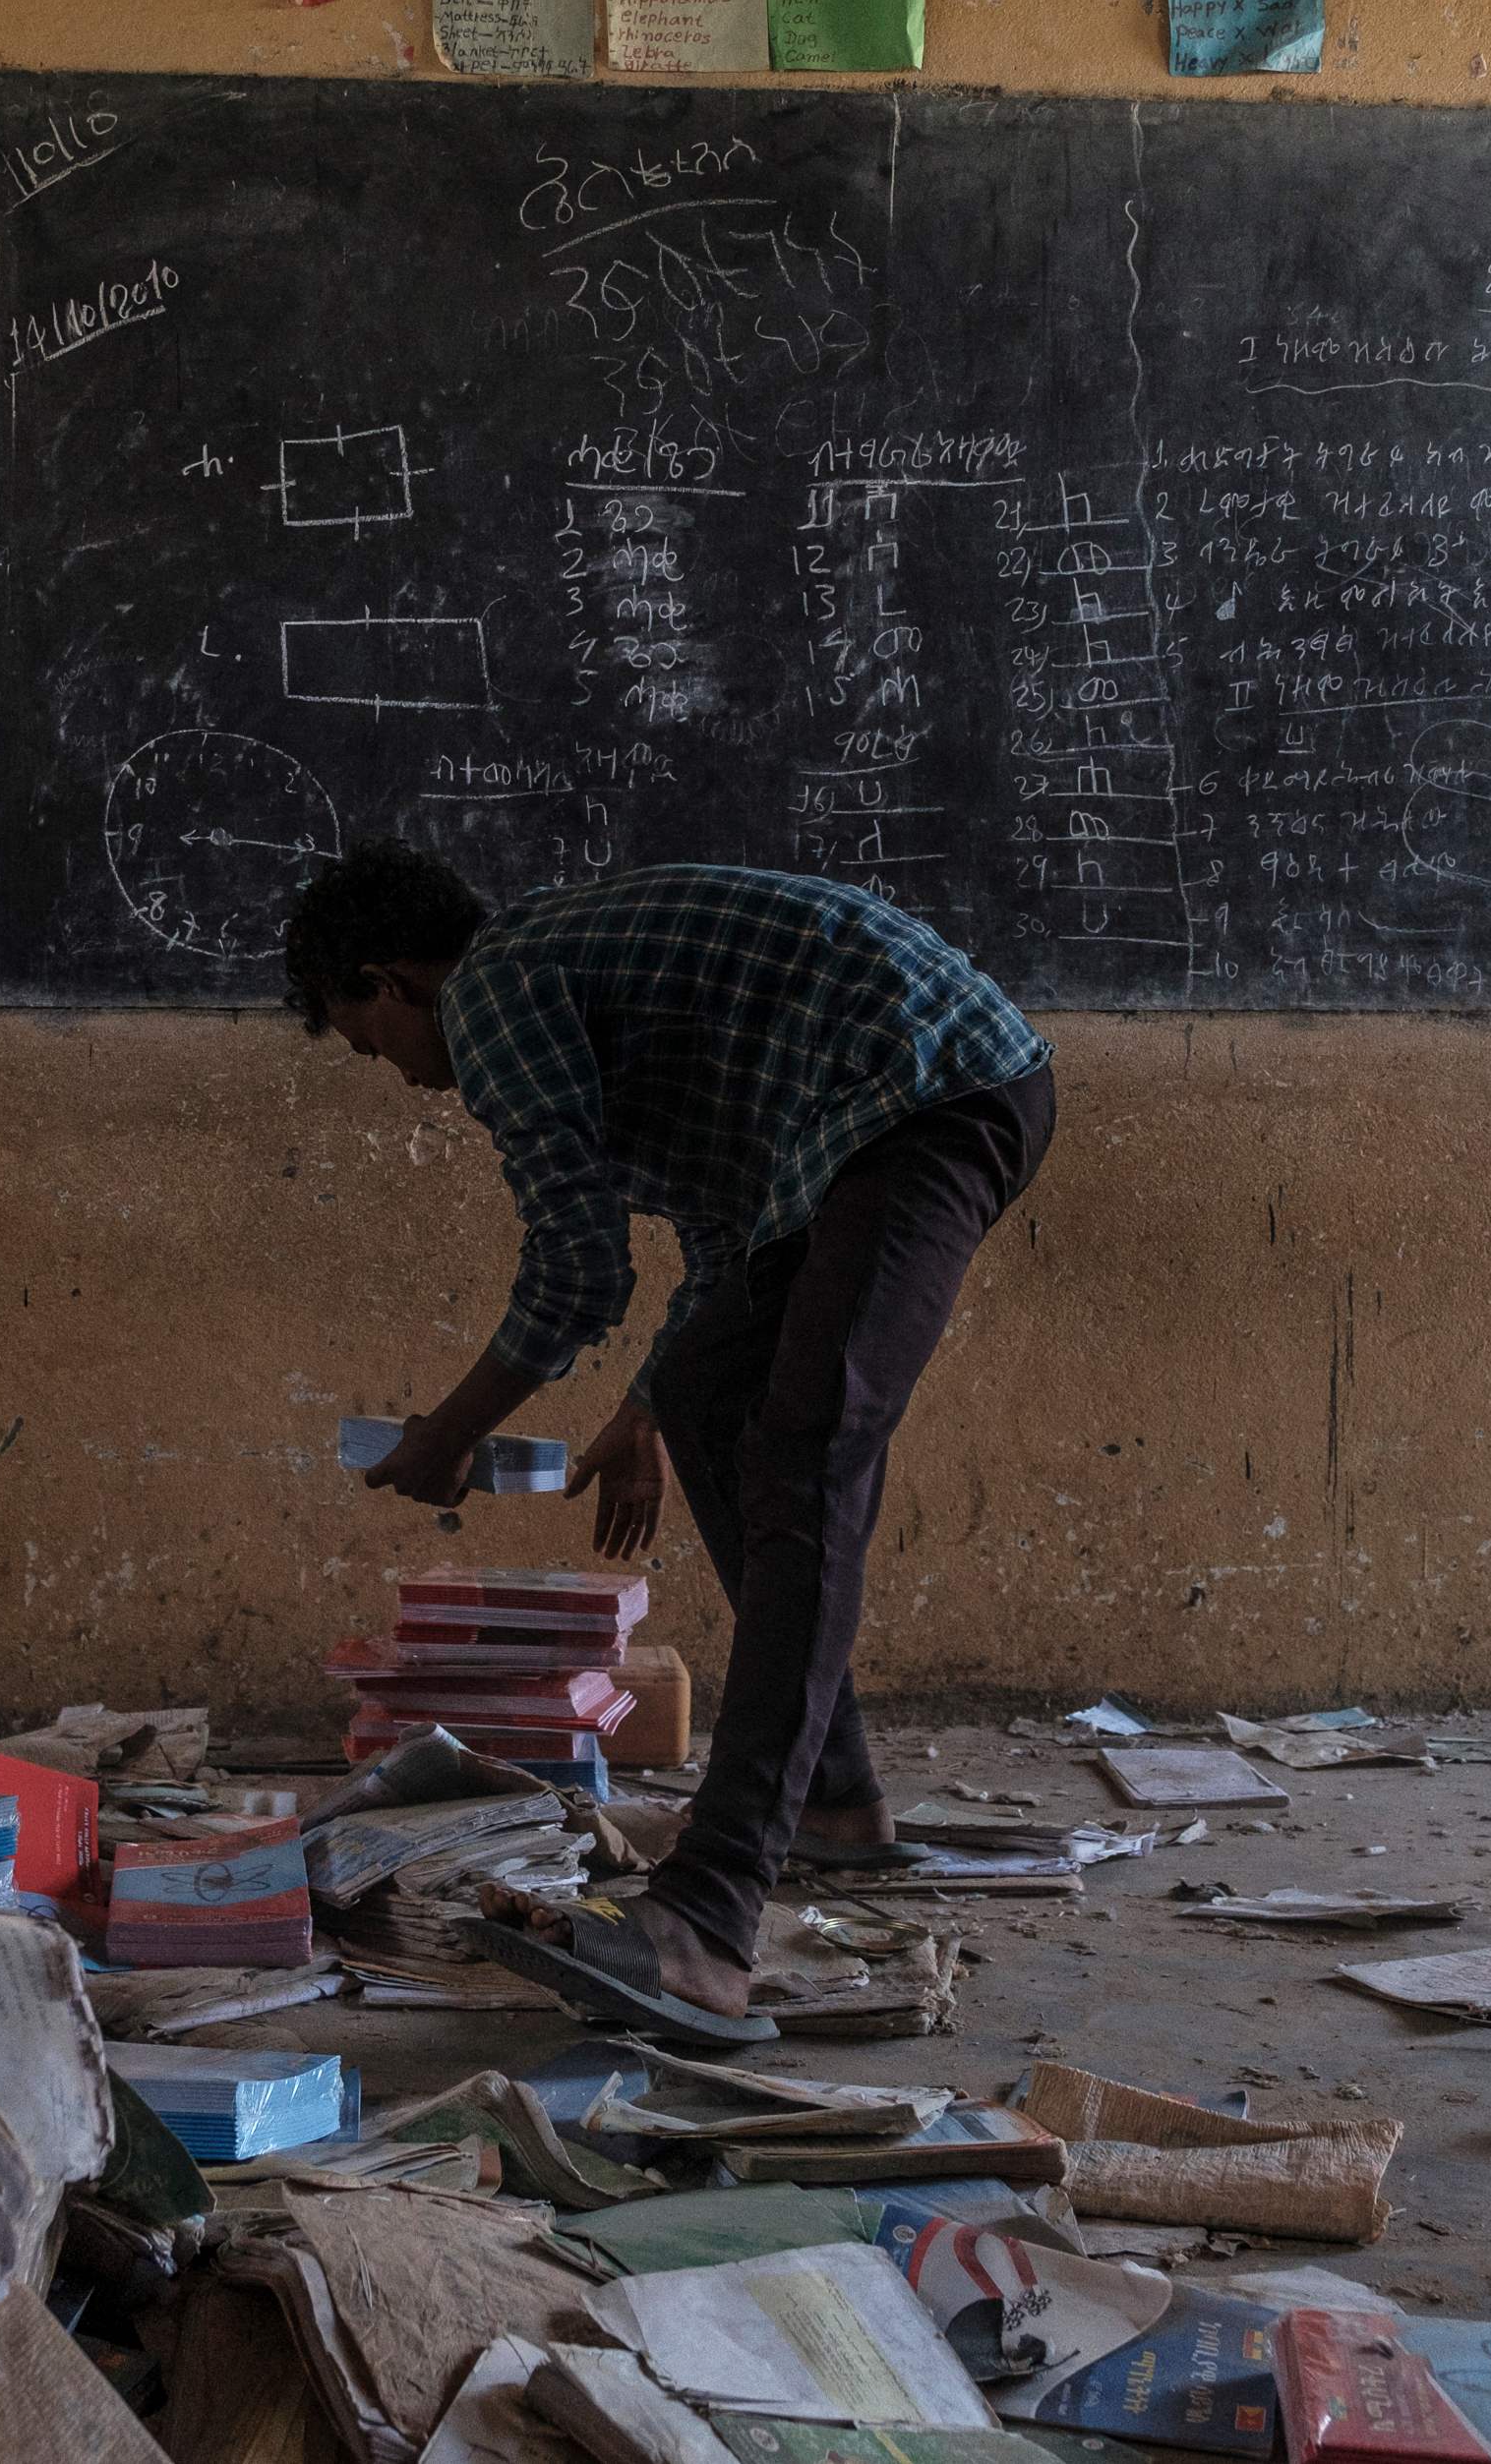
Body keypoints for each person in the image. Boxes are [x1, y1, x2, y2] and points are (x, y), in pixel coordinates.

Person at [283, 847, 1055, 2035]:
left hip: (926, 1095)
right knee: (704, 1389)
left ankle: (708, 1917)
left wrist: (451, 1432)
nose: (405, 1079)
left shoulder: (491, 987)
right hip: (853, 1126)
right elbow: (720, 1241)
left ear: (390, 983)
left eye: (370, 1044)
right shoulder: (599, 994)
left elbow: (578, 1268)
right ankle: (831, 1799)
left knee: (808, 1455)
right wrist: (646, 1407)